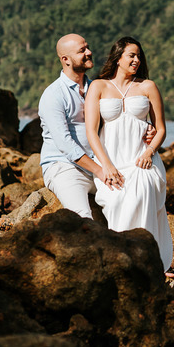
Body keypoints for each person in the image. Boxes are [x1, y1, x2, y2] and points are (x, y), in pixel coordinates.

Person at [84, 36, 174, 274]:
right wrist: (106, 166)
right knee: (115, 200)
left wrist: (150, 150)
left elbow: (161, 128)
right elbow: (91, 132)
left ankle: (150, 265)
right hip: (111, 162)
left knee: (142, 193)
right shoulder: (98, 86)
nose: (136, 60)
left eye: (138, 56)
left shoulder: (147, 86)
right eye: (131, 55)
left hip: (142, 160)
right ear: (118, 58)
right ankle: (121, 261)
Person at [37, 33, 124, 219]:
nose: (89, 52)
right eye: (82, 50)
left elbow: (120, 119)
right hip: (64, 166)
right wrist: (100, 171)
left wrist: (147, 130)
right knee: (82, 217)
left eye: (88, 47)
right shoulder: (53, 94)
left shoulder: (97, 87)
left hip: (100, 162)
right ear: (65, 60)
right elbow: (64, 144)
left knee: (128, 200)